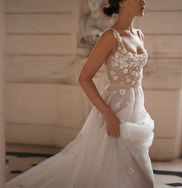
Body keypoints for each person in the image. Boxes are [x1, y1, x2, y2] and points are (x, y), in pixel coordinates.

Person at [5, 0, 155, 187]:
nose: (144, 2)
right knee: (111, 166)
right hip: (115, 109)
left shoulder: (139, 35)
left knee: (139, 171)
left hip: (136, 109)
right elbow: (84, 78)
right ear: (123, 2)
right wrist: (108, 115)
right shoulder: (110, 37)